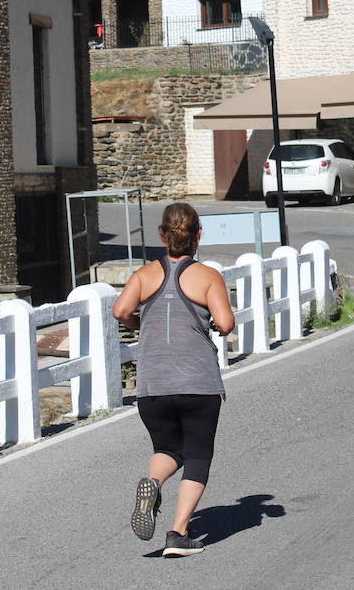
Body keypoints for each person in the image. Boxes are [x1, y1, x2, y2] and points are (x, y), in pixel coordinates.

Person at [112, 203, 236, 557]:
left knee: (168, 449)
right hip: (198, 381)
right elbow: (225, 324)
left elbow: (121, 311)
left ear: (162, 236)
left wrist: (143, 325)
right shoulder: (208, 276)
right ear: (198, 235)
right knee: (197, 454)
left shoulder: (144, 274)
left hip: (152, 384)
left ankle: (152, 482)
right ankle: (178, 533)